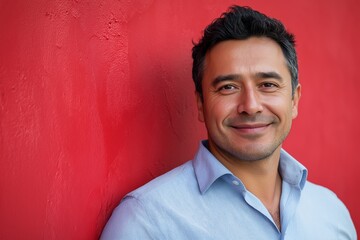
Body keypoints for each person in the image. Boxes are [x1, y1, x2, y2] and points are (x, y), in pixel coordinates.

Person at [101, 5, 357, 239]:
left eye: (267, 85)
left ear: (294, 100)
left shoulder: (332, 214)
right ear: (201, 104)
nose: (251, 106)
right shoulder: (145, 223)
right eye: (228, 87)